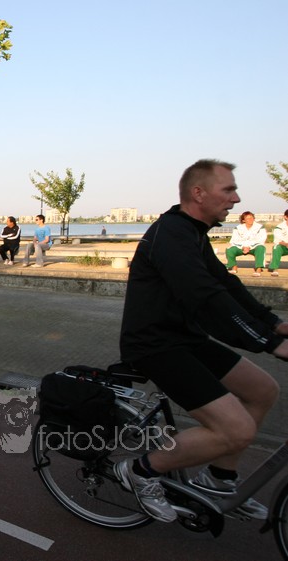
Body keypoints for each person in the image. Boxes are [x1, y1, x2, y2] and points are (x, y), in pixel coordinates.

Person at [118, 159, 288, 523]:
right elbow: (204, 298)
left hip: (186, 339)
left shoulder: (191, 232)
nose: (236, 198)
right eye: (228, 189)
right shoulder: (171, 234)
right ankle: (141, 470)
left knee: (263, 390)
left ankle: (219, 479)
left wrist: (274, 325)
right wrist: (267, 342)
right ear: (198, 193)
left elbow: (224, 285)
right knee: (236, 429)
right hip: (155, 346)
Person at [225, 210, 267, 276]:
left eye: (251, 218)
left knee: (261, 248)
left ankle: (258, 269)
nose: (250, 219)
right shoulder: (238, 228)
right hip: (241, 247)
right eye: (248, 218)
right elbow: (234, 240)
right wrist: (243, 247)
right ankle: (234, 268)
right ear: (243, 220)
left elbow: (261, 240)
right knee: (229, 249)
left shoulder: (260, 227)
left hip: (254, 247)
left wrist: (249, 246)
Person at [269, 209, 288, 277]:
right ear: (285, 217)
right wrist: (286, 244)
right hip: (284, 247)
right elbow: (278, 240)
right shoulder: (279, 227)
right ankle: (275, 269)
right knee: (277, 247)